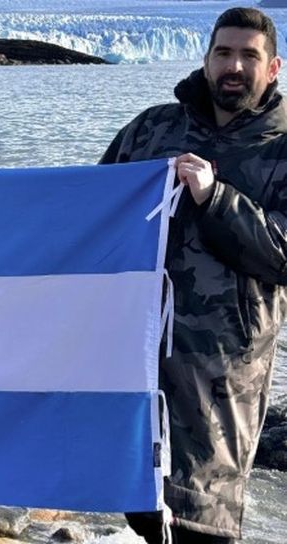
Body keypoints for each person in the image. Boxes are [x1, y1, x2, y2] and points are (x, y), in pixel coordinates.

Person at [100, 7, 287, 543]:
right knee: (140, 493)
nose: (234, 66)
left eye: (248, 56)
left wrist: (216, 198)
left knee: (205, 512)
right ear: (206, 60)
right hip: (138, 347)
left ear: (272, 68)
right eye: (223, 53)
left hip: (224, 363)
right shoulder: (154, 128)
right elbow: (91, 211)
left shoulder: (282, 148)